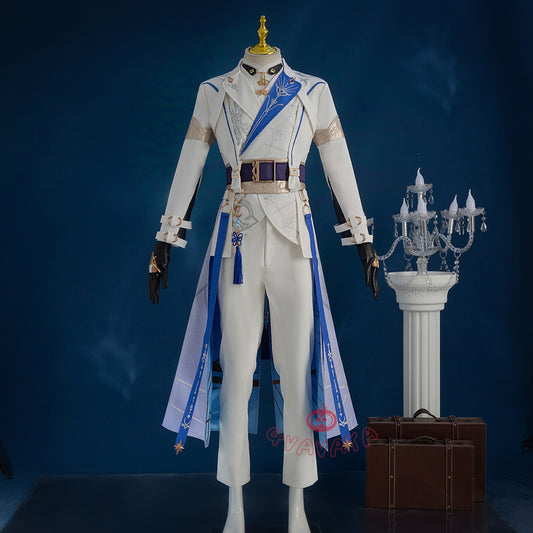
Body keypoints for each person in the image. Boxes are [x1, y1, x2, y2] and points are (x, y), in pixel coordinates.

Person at [148, 16, 378, 533]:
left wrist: (362, 238)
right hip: (237, 235)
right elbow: (191, 163)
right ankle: (235, 507)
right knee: (235, 373)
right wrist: (165, 238)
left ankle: (298, 507)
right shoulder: (214, 91)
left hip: (295, 235)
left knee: (298, 372)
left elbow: (338, 163)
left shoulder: (312, 90)